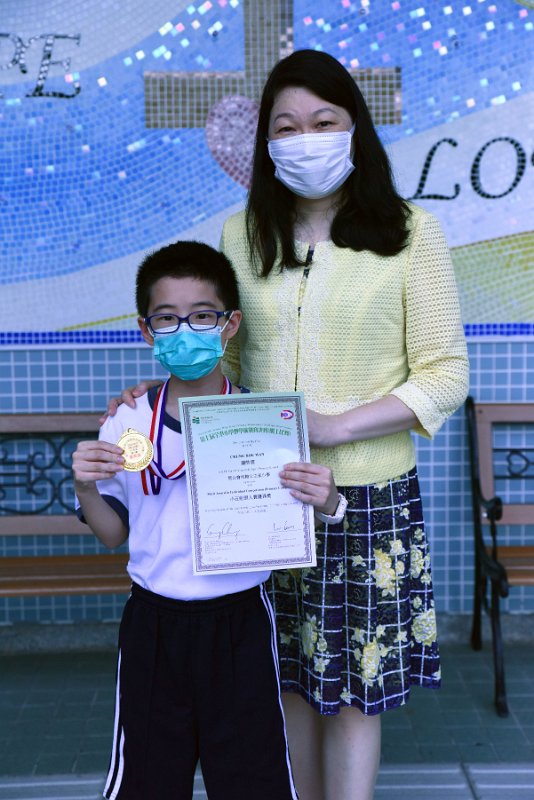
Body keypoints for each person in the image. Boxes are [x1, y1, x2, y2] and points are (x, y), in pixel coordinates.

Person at [106, 50, 469, 800]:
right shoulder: (242, 235)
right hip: (257, 490)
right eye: (286, 125)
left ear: (353, 128)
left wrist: (335, 427)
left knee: (356, 688)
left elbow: (444, 374)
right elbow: (215, 341)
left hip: (364, 497)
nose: (305, 138)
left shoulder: (411, 234)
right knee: (288, 678)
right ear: (266, 143)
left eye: (323, 121)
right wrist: (163, 394)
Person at [73, 240, 340, 800]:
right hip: (154, 627)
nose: (184, 331)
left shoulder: (264, 420)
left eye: (201, 316)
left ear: (230, 324)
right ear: (147, 331)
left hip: (241, 623)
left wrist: (326, 499)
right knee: (147, 780)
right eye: (167, 319)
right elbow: (112, 532)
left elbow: (291, 521)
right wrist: (83, 482)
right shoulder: (126, 421)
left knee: (254, 779)